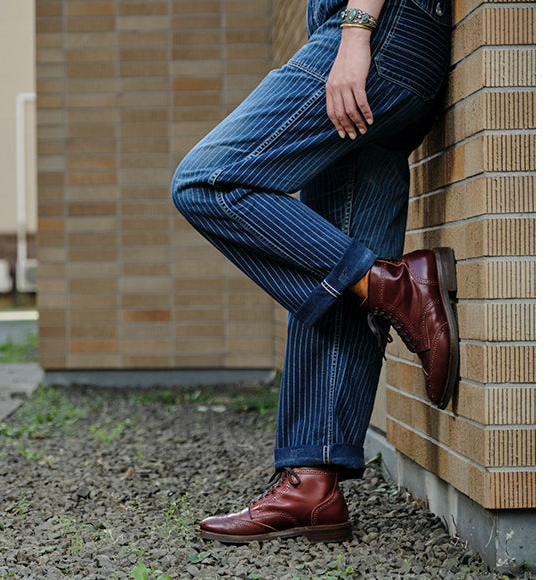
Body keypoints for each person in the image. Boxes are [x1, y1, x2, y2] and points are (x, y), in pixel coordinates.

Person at [171, 0, 456, 543]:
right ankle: (311, 485)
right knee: (335, 272)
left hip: (379, 30)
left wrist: (355, 34)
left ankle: (394, 288)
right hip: (392, 37)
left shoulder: (361, 36)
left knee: (207, 180)